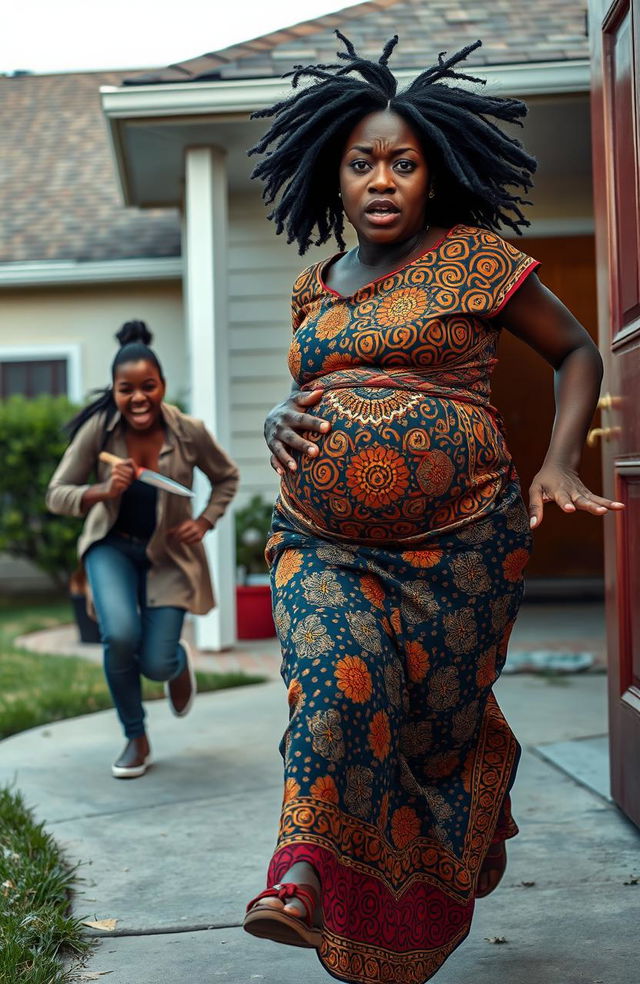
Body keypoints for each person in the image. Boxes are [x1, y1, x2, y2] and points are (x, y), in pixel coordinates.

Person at [242, 34, 623, 984]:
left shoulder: (477, 262)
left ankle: (467, 809)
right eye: (363, 162)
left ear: (433, 174)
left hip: (463, 549)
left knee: (432, 724)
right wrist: (278, 419)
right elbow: (307, 391)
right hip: (319, 542)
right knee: (336, 684)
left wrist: (555, 461)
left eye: (402, 164)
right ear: (333, 174)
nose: (382, 180)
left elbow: (580, 354)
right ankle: (300, 878)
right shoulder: (310, 290)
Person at [46, 321, 239, 779]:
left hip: (168, 555)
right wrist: (98, 490)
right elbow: (57, 493)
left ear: (162, 386)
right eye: (126, 389)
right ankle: (135, 736)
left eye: (147, 387)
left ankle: (176, 665)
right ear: (114, 391)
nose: (137, 398)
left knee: (156, 660)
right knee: (120, 636)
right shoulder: (100, 429)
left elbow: (226, 477)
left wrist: (206, 519)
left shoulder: (188, 431)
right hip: (110, 548)